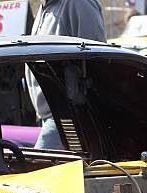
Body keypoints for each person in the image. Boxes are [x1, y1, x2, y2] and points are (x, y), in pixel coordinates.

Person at [26, 0, 107, 150]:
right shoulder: (46, 7)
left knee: (39, 172)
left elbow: (98, 60)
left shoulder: (78, 3)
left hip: (69, 118)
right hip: (51, 117)